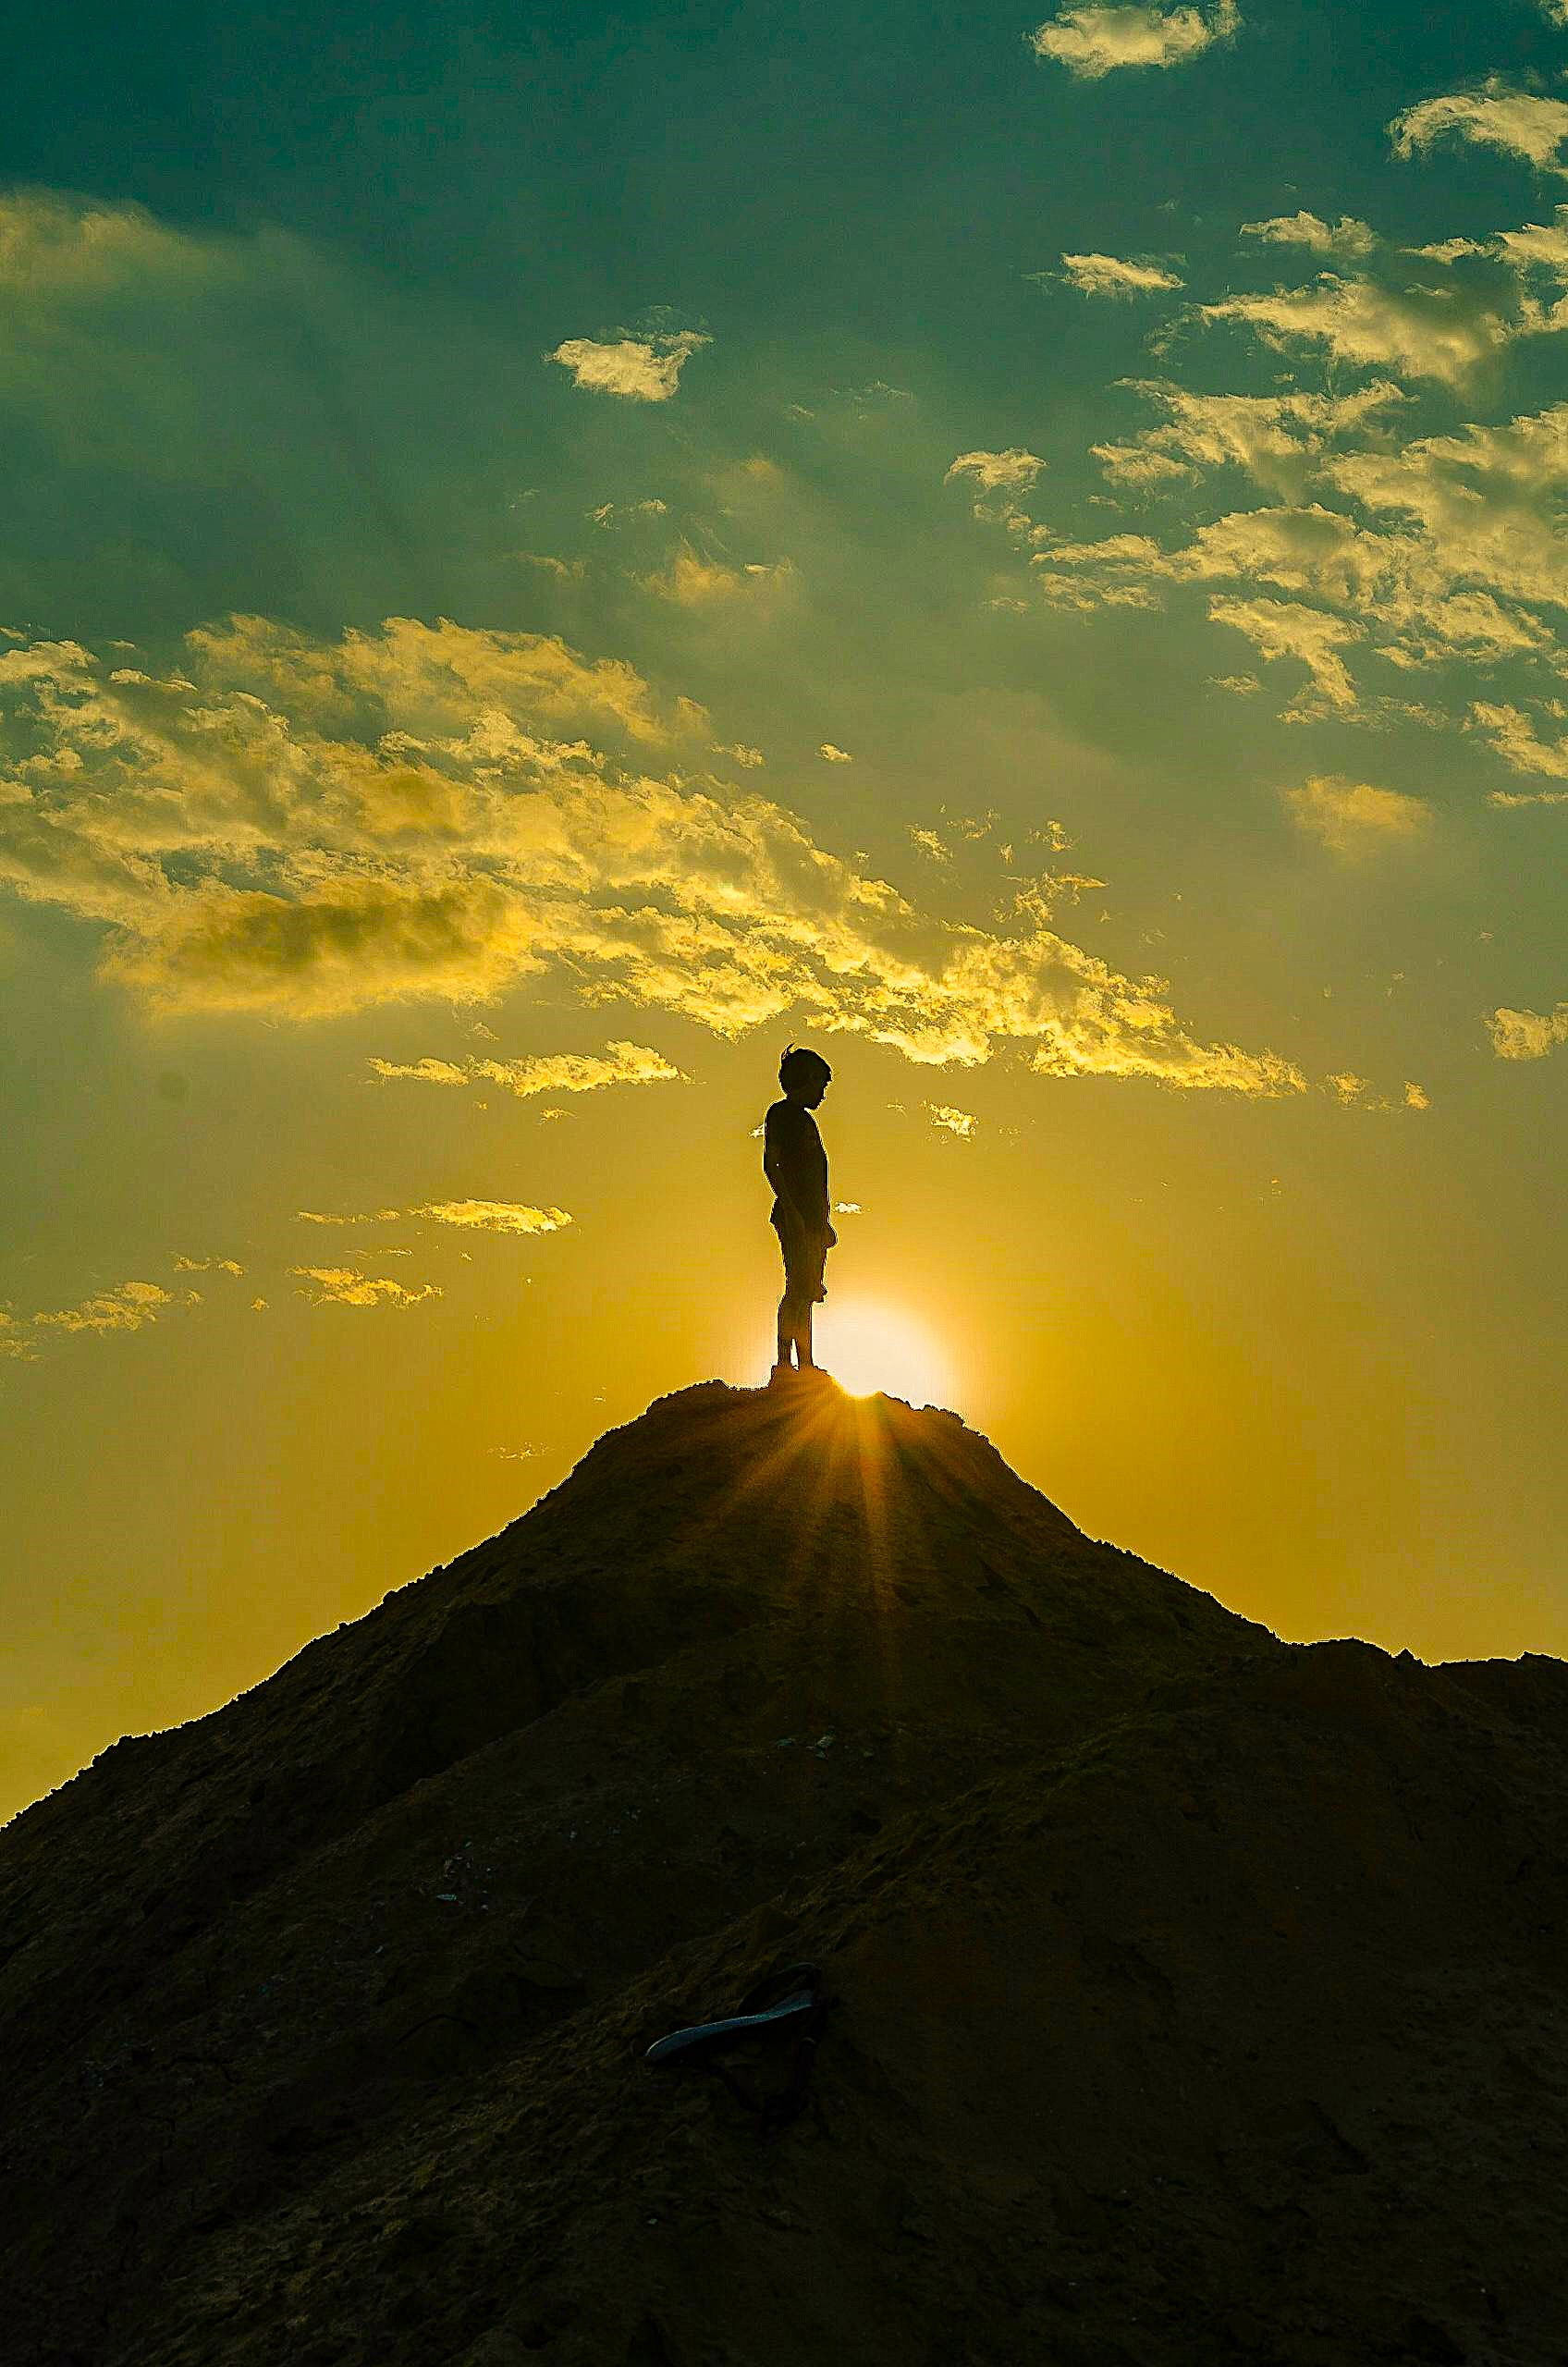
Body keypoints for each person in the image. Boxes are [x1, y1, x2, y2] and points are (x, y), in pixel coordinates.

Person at [764, 1045, 837, 1382]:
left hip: (812, 1219)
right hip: (794, 1216)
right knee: (796, 1289)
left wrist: (823, 1223)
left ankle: (805, 1363)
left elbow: (817, 1176)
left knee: (807, 1290)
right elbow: (771, 1164)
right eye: (819, 1085)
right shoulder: (781, 1114)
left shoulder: (807, 1122)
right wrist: (790, 1208)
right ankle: (784, 1364)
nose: (822, 1094)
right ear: (804, 1081)